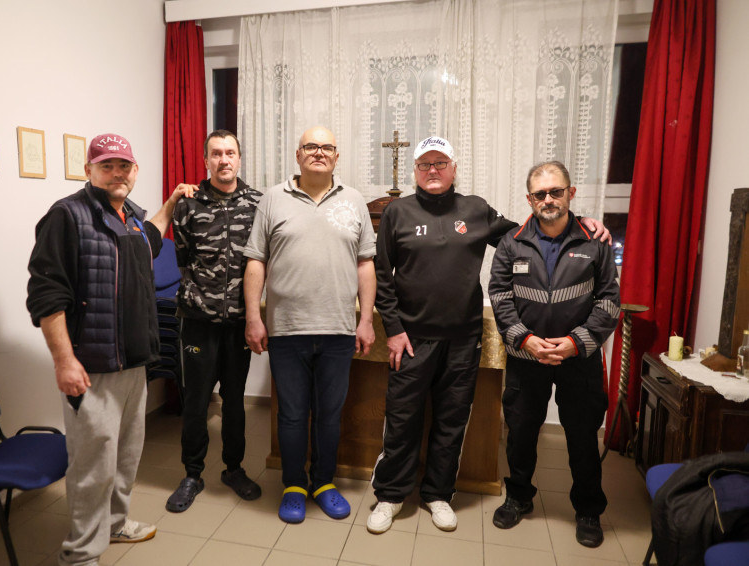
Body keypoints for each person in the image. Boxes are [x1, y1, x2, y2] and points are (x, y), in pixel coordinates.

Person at [367, 138, 611, 535]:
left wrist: (583, 223)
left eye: (440, 162)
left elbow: (528, 234)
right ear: (415, 170)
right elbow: (382, 274)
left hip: (463, 339)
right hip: (412, 339)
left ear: (453, 168)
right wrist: (393, 330)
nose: (433, 170)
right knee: (401, 419)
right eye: (425, 164)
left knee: (452, 420)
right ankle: (390, 495)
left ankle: (438, 494)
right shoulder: (397, 212)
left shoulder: (476, 209)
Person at [27, 133, 183, 566]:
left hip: (134, 363)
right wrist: (64, 361)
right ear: (89, 170)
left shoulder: (131, 217)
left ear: (135, 170)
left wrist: (171, 204)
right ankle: (80, 553)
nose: (117, 173)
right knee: (93, 466)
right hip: (91, 368)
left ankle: (114, 524)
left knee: (125, 457)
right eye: (107, 165)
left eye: (124, 165)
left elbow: (150, 240)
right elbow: (46, 294)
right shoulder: (67, 216)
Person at [243, 126, 376, 524]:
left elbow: (365, 264)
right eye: (311, 146)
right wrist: (253, 317)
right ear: (298, 154)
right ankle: (293, 485)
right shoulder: (273, 198)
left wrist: (366, 320)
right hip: (287, 329)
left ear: (337, 156)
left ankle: (322, 482)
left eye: (327, 147)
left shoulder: (354, 200)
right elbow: (256, 260)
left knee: (330, 415)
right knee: (291, 415)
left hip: (338, 330)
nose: (319, 152)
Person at [488, 160, 620, 548]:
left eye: (556, 191)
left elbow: (609, 301)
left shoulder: (595, 242)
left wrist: (576, 342)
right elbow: (500, 297)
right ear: (530, 199)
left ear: (570, 193)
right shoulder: (512, 242)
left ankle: (588, 510)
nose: (548, 199)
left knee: (582, 437)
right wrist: (525, 339)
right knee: (520, 434)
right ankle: (518, 497)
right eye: (540, 194)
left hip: (578, 359)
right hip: (526, 358)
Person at [164, 130, 263, 513]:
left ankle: (234, 469)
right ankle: (192, 474)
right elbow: (183, 258)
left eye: (230, 153)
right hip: (198, 321)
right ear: (206, 160)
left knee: (235, 401)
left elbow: (261, 260)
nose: (224, 160)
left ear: (239, 158)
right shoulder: (188, 204)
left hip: (239, 322)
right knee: (196, 401)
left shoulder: (257, 203)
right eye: (216, 154)